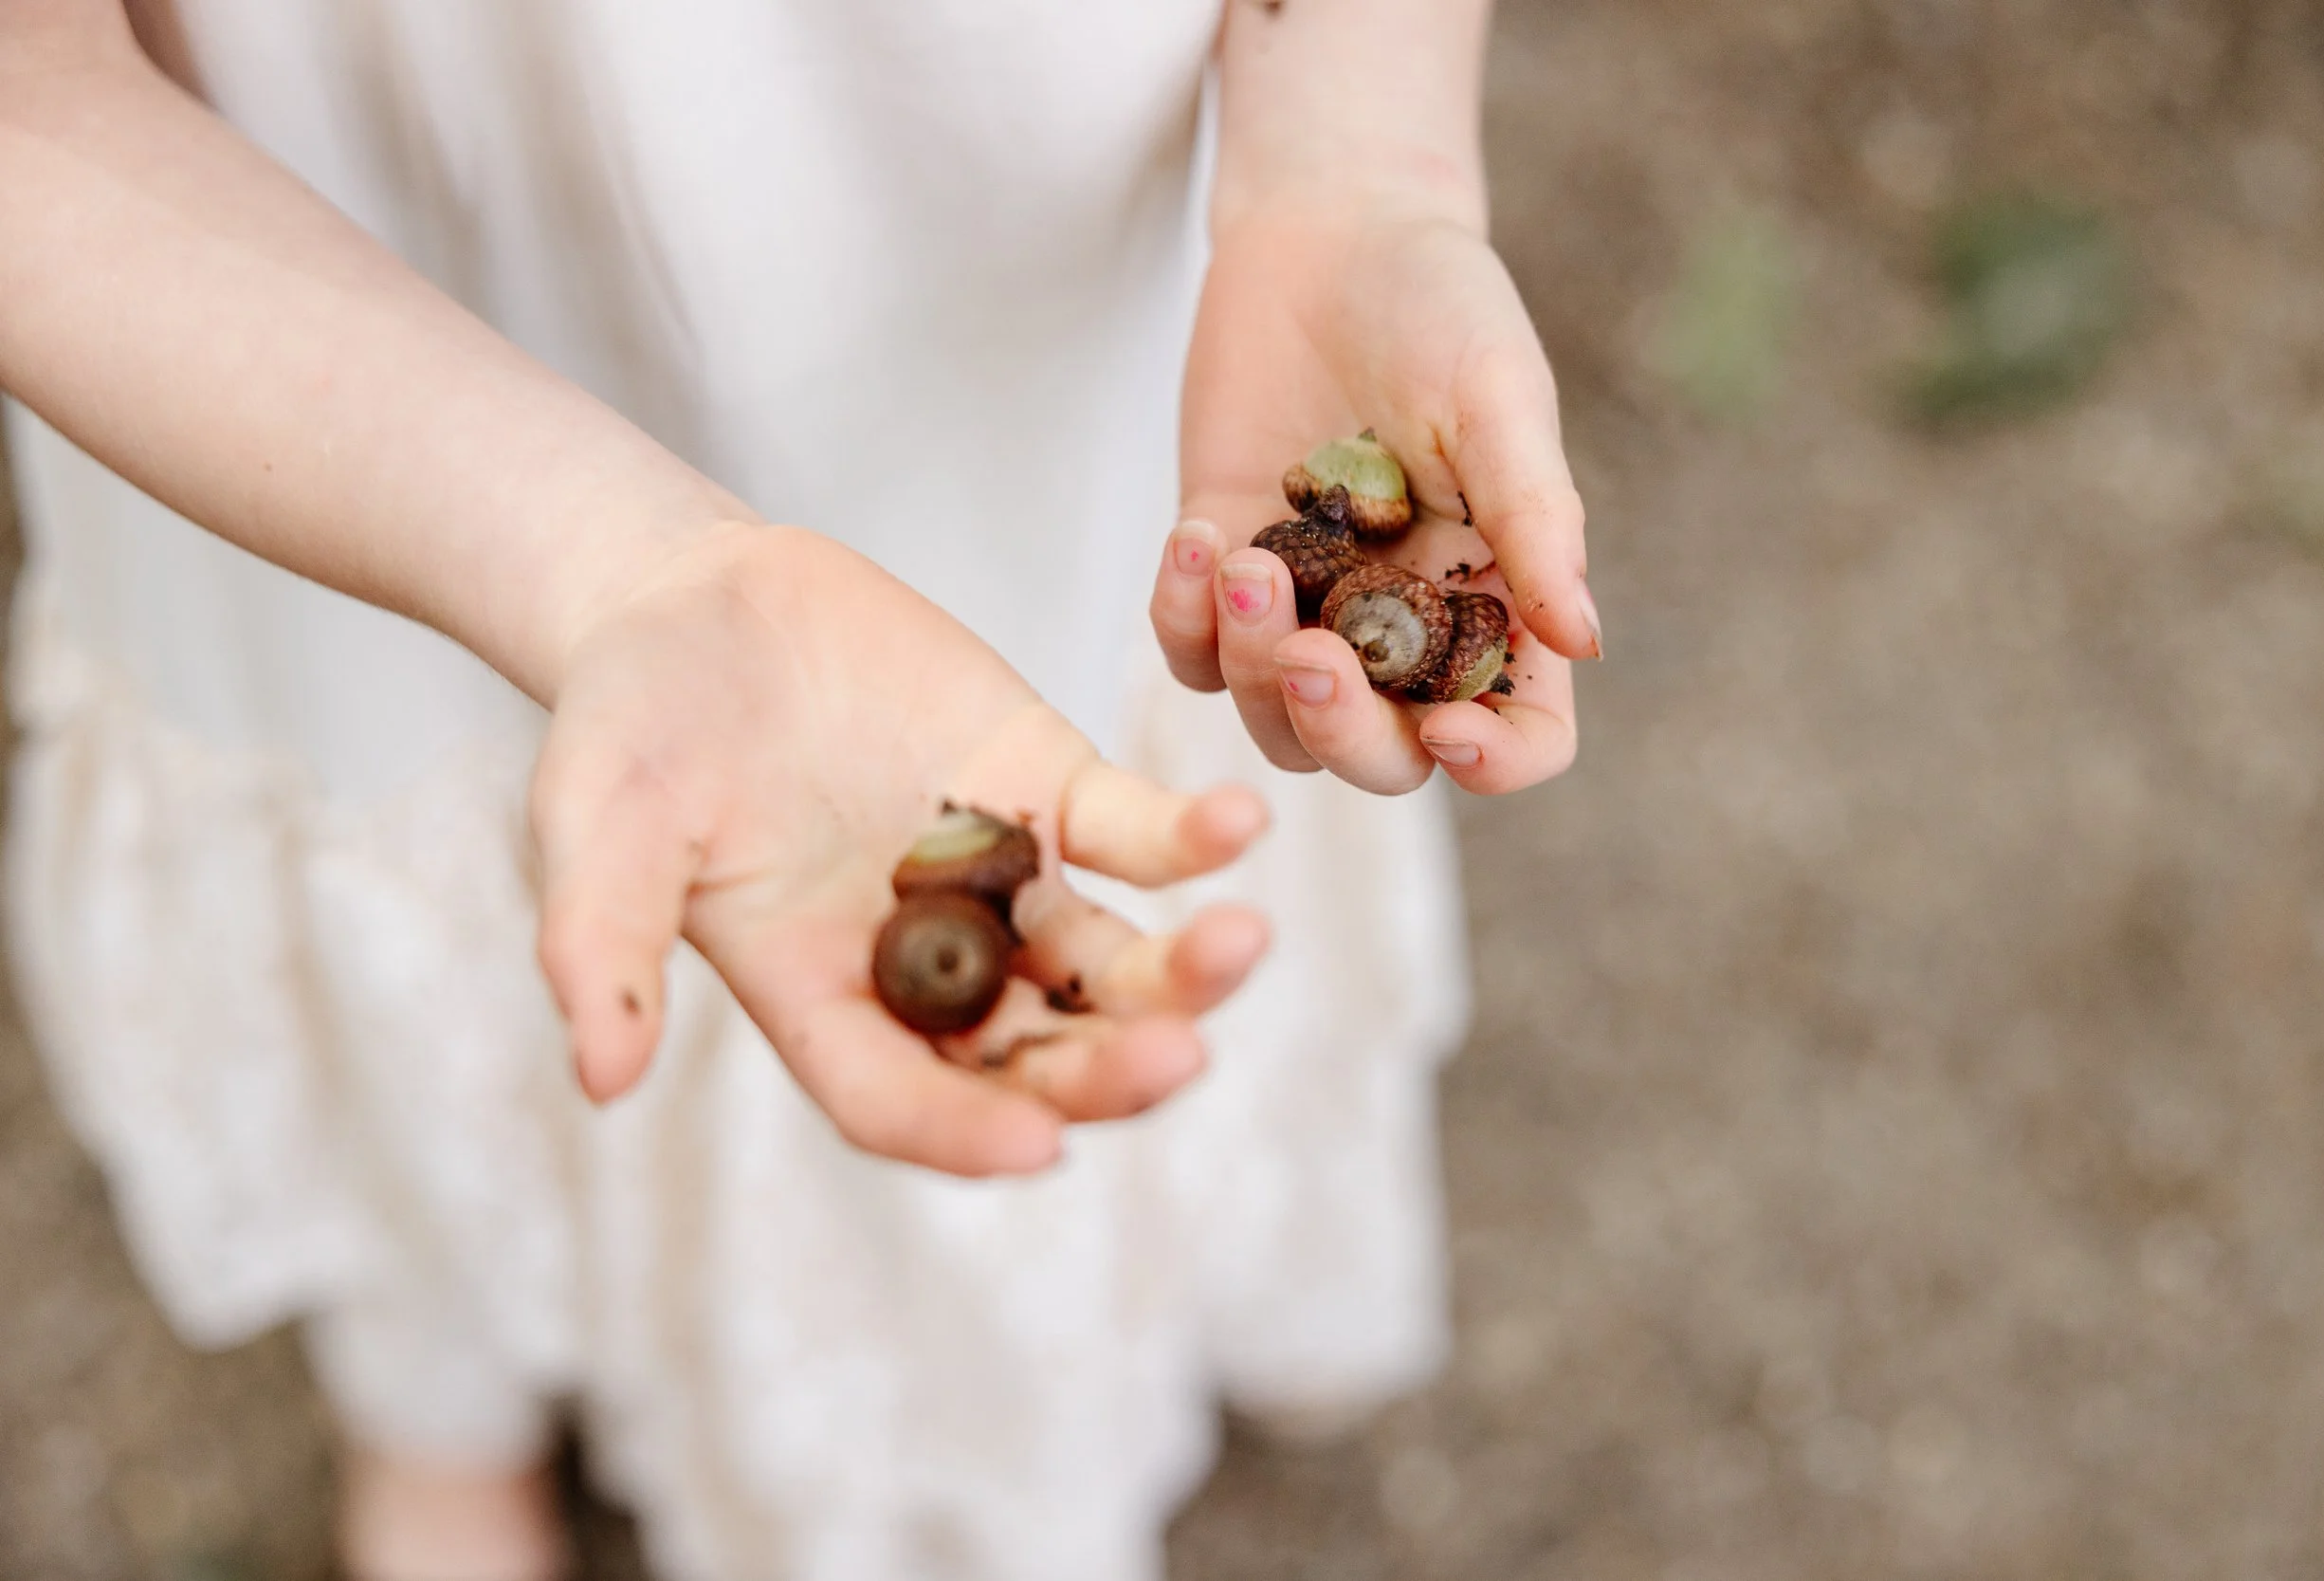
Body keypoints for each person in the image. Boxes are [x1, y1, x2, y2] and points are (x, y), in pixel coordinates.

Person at [0, 2, 1597, 1578]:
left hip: (1013, 305)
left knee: (954, 847)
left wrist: (1350, 169)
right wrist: (607, 569)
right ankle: (439, 1390)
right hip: (292, 366)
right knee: (468, 956)